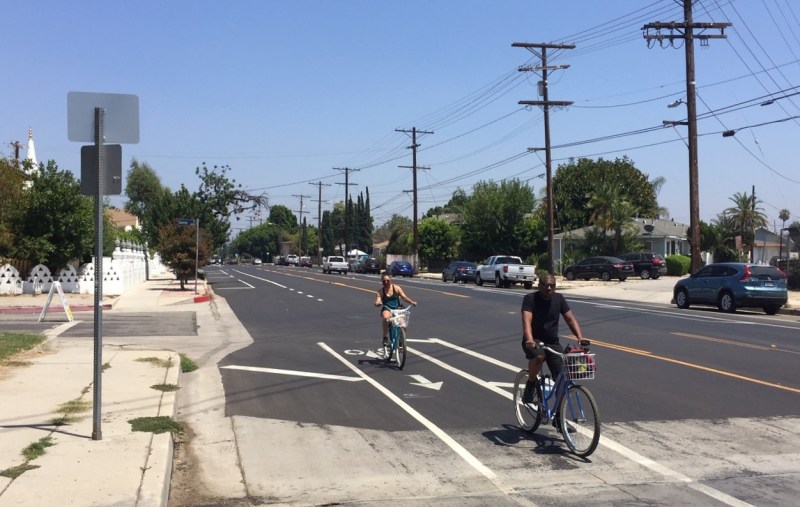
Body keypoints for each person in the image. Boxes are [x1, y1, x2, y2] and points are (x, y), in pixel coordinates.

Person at [520, 273, 586, 405]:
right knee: (539, 358)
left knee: (562, 378)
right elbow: (526, 321)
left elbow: (570, 319)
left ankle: (558, 417)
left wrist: (580, 338)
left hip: (552, 342)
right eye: (545, 285)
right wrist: (529, 339)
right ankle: (531, 385)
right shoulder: (530, 299)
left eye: (552, 285)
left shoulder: (559, 299)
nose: (549, 288)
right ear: (539, 286)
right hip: (534, 341)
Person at [374, 272, 416, 350]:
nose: (386, 282)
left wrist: (412, 302)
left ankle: (401, 340)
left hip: (397, 308)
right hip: (388, 308)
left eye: (388, 280)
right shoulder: (380, 291)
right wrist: (377, 303)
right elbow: (378, 300)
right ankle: (385, 337)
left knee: (403, 324)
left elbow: (404, 297)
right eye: (384, 281)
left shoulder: (396, 288)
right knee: (386, 317)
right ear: (382, 282)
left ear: (391, 280)